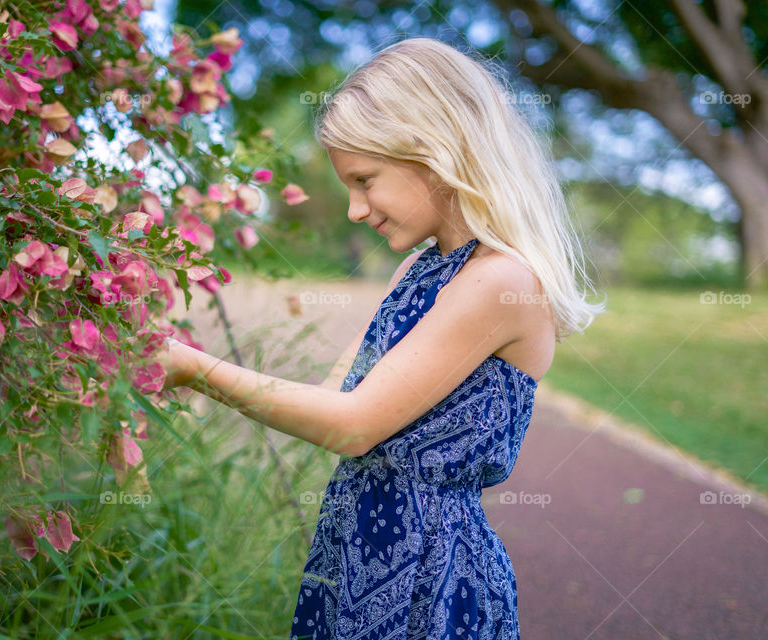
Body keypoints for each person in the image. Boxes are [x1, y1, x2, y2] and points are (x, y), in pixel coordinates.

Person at [158, 36, 605, 640]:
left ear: (435, 155)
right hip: (357, 548)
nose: (354, 208)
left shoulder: (499, 282)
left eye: (365, 180)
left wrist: (194, 370)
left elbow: (354, 425)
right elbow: (333, 402)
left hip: (429, 574)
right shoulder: (418, 271)